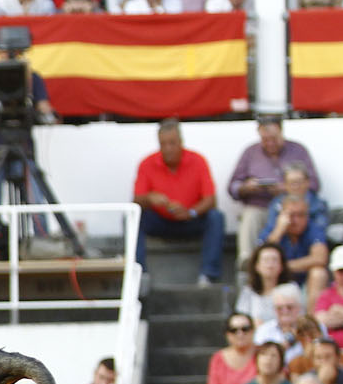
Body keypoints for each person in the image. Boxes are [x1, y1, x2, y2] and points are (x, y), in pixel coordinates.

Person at [0, 31, 57, 207]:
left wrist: (47, 114)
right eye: (7, 51)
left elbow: (46, 110)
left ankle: (39, 234)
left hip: (23, 148)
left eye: (17, 52)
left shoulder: (31, 78)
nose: (11, 56)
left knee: (35, 201)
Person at [133, 119, 224, 286]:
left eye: (172, 143)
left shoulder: (198, 160)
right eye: (163, 144)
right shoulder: (147, 163)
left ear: (181, 142)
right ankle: (140, 275)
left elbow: (211, 200)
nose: (168, 148)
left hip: (190, 220)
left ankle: (208, 274)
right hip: (160, 221)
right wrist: (150, 198)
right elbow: (136, 201)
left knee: (215, 217)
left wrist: (191, 212)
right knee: (133, 219)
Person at [228, 115, 321, 266]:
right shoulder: (250, 152)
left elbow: (315, 184)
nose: (270, 143)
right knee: (250, 216)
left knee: (298, 216)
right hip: (261, 206)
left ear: (281, 132)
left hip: (290, 207)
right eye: (265, 139)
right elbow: (232, 188)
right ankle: (248, 263)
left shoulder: (298, 150)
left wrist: (287, 187)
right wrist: (247, 187)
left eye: (274, 138)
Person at [208, 312, 257, 384]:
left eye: (245, 329)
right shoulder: (218, 358)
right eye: (234, 330)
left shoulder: (263, 353)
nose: (240, 334)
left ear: (253, 331)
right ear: (227, 334)